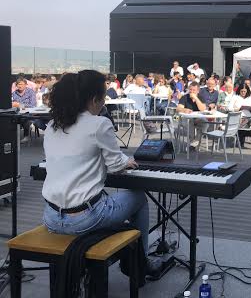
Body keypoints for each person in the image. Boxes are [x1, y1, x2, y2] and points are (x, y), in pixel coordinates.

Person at [41, 70, 161, 275]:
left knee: (107, 200)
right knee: (139, 198)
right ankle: (140, 265)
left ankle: (124, 253)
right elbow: (115, 165)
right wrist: (127, 161)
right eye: (103, 99)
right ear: (95, 99)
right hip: (84, 219)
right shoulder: (99, 124)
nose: (104, 104)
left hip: (51, 217)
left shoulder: (53, 124)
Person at [177, 82, 207, 149]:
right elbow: (178, 108)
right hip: (186, 118)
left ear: (198, 91)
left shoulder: (200, 97)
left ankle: (196, 141)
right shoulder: (185, 97)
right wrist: (184, 110)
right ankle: (192, 141)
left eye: (194, 90)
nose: (192, 91)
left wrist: (196, 99)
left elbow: (202, 109)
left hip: (197, 118)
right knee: (189, 121)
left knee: (205, 122)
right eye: (190, 89)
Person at [12, 77, 38, 143]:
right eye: (18, 84)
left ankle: (26, 136)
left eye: (21, 84)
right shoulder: (14, 93)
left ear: (26, 85)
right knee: (10, 117)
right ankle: (12, 136)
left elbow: (33, 105)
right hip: (17, 112)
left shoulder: (31, 92)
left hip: (28, 112)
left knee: (25, 118)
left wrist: (20, 105)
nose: (20, 86)